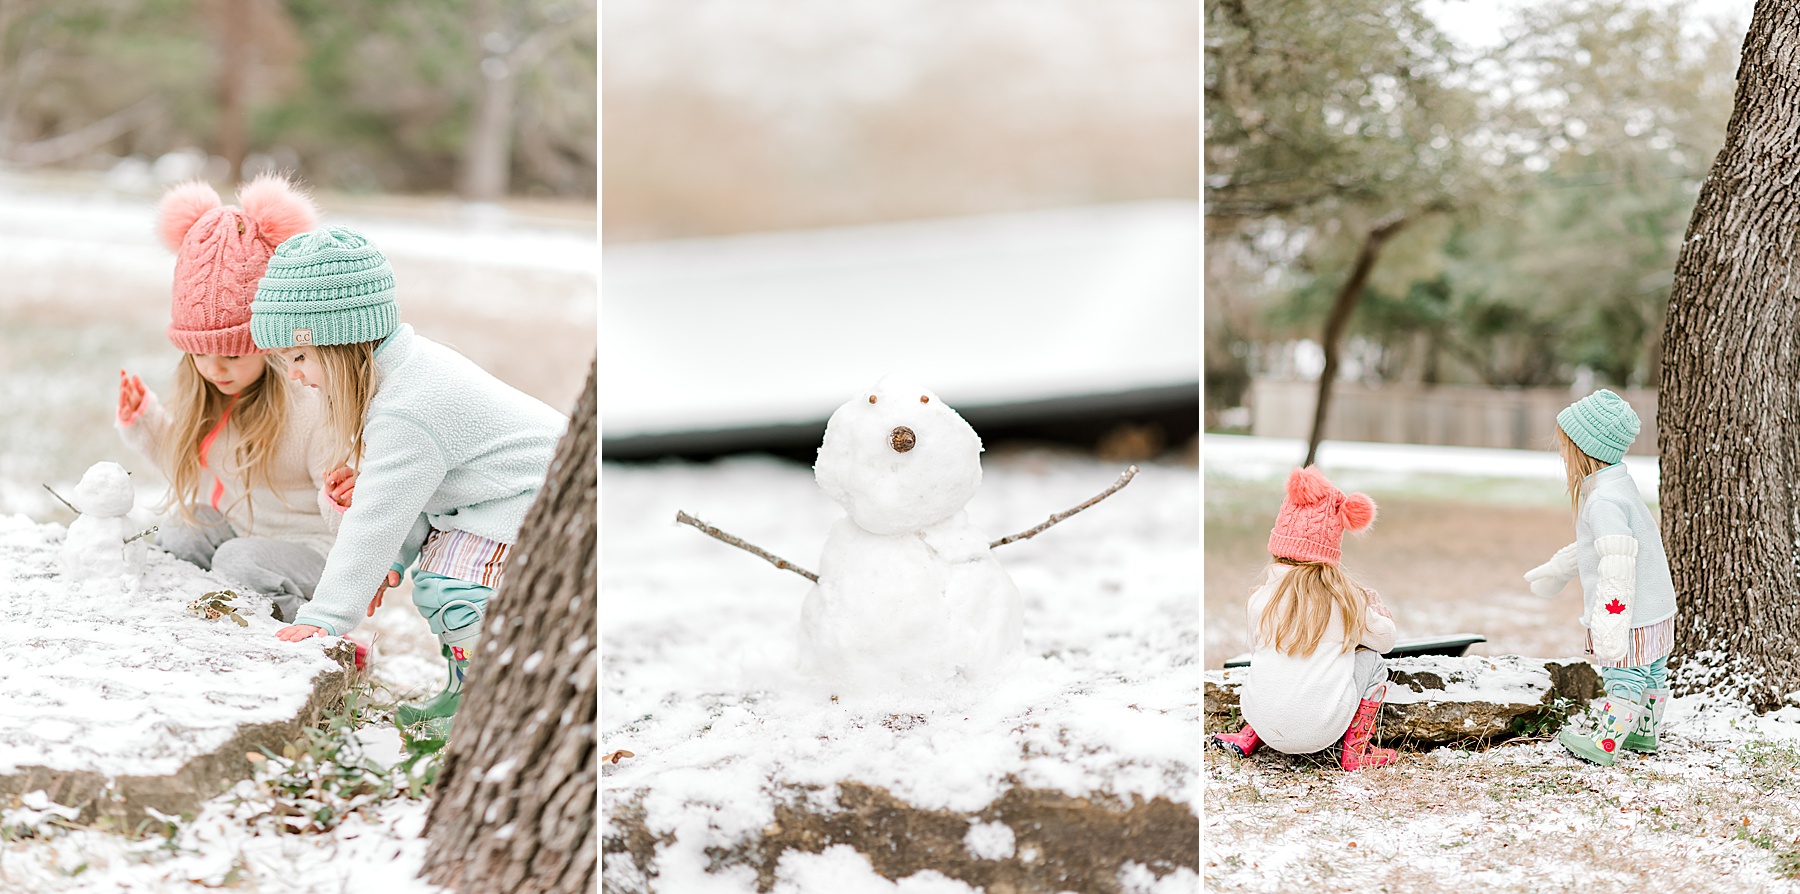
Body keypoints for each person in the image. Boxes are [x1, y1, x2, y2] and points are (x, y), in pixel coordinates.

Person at [247, 225, 566, 741]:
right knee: (437, 583)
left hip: (537, 501)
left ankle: (490, 703)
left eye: (299, 357)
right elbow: (414, 498)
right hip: (496, 501)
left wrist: (329, 614)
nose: (294, 376)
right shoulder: (404, 375)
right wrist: (393, 563)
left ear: (343, 342)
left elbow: (377, 518)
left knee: (454, 590)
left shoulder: (407, 409)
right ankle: (466, 685)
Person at [118, 175, 353, 626]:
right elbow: (198, 463)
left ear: (268, 345)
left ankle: (307, 630)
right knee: (183, 531)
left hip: (311, 552)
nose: (213, 368)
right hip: (242, 536)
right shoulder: (216, 393)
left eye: (230, 353)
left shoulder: (308, 405)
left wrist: (344, 499)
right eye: (199, 353)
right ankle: (202, 614)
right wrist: (146, 421)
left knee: (237, 561)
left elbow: (350, 512)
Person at [1211, 466, 1398, 771]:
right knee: (1372, 660)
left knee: (1269, 657)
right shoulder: (1346, 600)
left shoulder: (1260, 597)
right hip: (1322, 731)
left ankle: (1248, 736)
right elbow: (1386, 642)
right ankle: (1355, 751)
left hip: (1262, 719)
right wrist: (1379, 614)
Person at [1524, 389, 1675, 765]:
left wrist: (1610, 622)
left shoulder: (1604, 500)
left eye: (1565, 446)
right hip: (1656, 606)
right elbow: (1599, 547)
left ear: (1585, 449)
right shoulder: (1618, 487)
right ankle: (1644, 734)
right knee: (1652, 669)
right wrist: (1557, 571)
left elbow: (1616, 563)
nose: (1561, 453)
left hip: (1629, 612)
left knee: (1624, 674)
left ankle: (1605, 745)